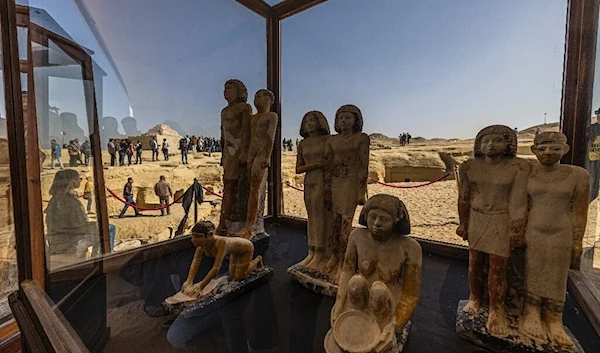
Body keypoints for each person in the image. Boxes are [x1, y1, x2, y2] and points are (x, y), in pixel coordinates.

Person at [456, 125, 530, 336]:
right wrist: (463, 223)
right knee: (474, 262)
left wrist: (516, 230)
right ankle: (475, 298)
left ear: (508, 144)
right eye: (485, 141)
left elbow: (518, 203)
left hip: (501, 219)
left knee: (498, 267)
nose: (490, 145)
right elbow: (464, 197)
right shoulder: (469, 166)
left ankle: (496, 310)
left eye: (496, 140)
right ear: (478, 144)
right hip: (477, 217)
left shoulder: (518, 167)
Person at [327, 195, 422, 353]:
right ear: (365, 217)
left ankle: (379, 331)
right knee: (356, 282)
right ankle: (354, 321)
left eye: (384, 219)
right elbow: (347, 271)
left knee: (378, 290)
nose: (377, 224)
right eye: (372, 217)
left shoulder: (409, 248)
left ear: (396, 221)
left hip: (387, 303)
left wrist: (396, 324)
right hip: (358, 300)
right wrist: (339, 304)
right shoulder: (357, 236)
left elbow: (411, 294)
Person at [520, 132, 589, 345]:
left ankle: (554, 319)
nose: (548, 152)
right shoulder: (528, 173)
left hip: (562, 231)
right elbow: (521, 206)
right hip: (534, 230)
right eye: (541, 148)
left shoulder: (577, 175)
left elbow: (579, 211)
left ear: (565, 150)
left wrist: (578, 239)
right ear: (534, 150)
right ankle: (531, 312)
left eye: (554, 148)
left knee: (557, 273)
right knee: (533, 269)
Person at [323, 105, 370, 283]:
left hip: (350, 182)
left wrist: (361, 190)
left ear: (356, 120)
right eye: (340, 118)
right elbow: (328, 166)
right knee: (334, 223)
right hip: (335, 182)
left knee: (345, 224)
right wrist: (327, 189)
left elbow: (363, 166)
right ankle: (333, 256)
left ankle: (344, 262)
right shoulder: (331, 140)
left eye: (348, 118)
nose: (343, 121)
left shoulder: (361, 138)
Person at [234, 89, 278, 240]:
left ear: (269, 100)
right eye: (255, 96)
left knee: (255, 190)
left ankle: (251, 227)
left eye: (259, 96)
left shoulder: (271, 116)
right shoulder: (253, 118)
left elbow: (269, 137)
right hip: (251, 155)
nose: (256, 99)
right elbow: (247, 137)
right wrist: (245, 153)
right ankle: (252, 224)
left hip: (260, 156)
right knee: (251, 190)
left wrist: (266, 156)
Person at [181, 221, 263, 298]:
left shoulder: (221, 243)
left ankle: (257, 260)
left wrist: (201, 287)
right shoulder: (201, 246)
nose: (193, 240)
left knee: (240, 276)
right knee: (232, 275)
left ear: (210, 235)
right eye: (193, 236)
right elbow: (195, 262)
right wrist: (189, 281)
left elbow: (216, 268)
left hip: (246, 249)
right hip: (235, 250)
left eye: (198, 237)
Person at [295, 111, 331, 269]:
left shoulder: (327, 140)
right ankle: (312, 251)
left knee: (321, 217)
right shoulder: (302, 144)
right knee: (312, 217)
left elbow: (331, 162)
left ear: (320, 122)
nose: (309, 123)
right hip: (309, 181)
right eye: (306, 121)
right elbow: (298, 168)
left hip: (322, 181)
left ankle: (321, 252)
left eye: (312, 120)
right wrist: (316, 164)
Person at [216, 79, 252, 235]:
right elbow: (223, 134)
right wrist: (222, 154)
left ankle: (225, 223)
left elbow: (246, 131)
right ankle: (224, 222)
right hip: (228, 153)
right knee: (228, 186)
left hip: (239, 152)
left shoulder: (244, 108)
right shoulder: (224, 111)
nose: (225, 92)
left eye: (228, 88)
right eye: (224, 89)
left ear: (238, 90)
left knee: (235, 187)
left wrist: (244, 152)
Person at [44, 169, 98, 256]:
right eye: (79, 178)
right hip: (70, 238)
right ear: (72, 181)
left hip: (63, 235)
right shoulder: (67, 199)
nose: (80, 181)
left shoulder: (56, 197)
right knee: (108, 230)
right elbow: (77, 224)